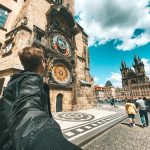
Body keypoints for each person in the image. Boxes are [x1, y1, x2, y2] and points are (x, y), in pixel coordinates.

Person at [0, 46, 82, 150]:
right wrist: (46, 140)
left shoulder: (16, 80)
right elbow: (27, 113)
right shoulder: (31, 81)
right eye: (45, 61)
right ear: (42, 63)